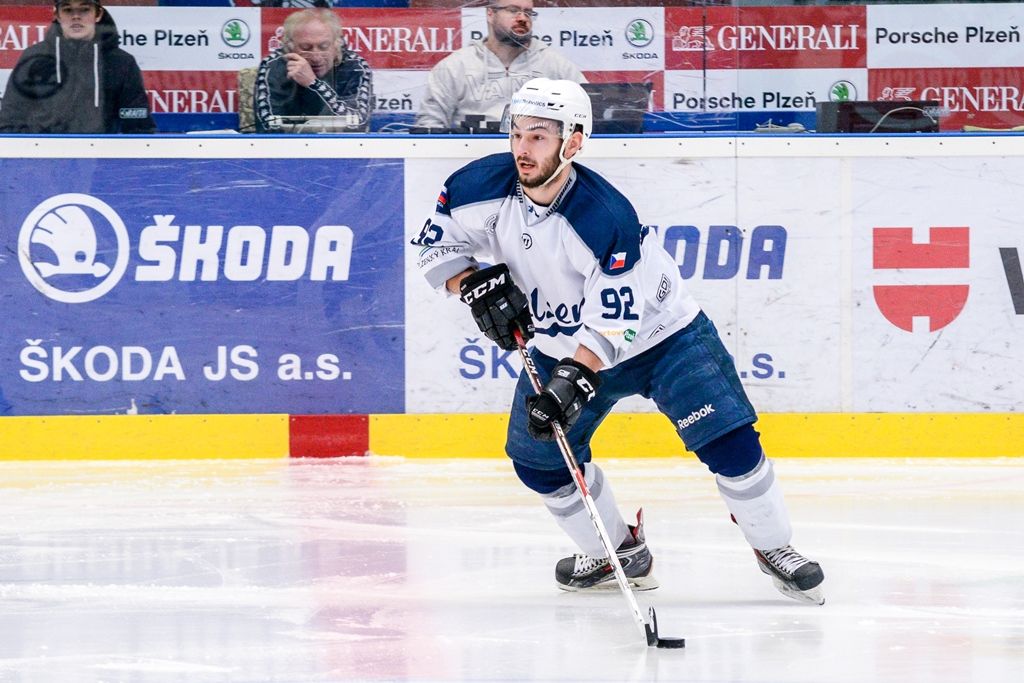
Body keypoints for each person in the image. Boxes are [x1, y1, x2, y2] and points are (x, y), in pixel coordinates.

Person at [411, 78, 826, 605]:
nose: (522, 148)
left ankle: (773, 546)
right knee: (538, 462)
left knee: (731, 442)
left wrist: (574, 380)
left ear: (573, 142)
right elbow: (435, 246)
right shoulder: (476, 186)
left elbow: (615, 320)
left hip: (663, 337)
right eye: (516, 133)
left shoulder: (604, 216)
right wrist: (472, 284)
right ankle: (616, 553)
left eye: (539, 136)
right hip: (561, 345)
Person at [414, 2, 584, 133]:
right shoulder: (456, 66)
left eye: (528, 12)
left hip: (538, 158)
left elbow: (588, 113)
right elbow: (429, 126)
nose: (522, 18)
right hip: (472, 158)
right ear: (490, 14)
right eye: (513, 10)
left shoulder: (555, 65)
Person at [0, 0, 155, 134]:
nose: (76, 16)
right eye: (67, 10)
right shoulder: (34, 58)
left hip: (103, 156)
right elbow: (9, 120)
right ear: (56, 15)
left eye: (85, 9)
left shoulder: (121, 62)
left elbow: (139, 127)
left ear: (98, 14)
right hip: (45, 156)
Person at [253, 8, 372, 133]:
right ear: (290, 46)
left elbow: (357, 125)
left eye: (324, 47)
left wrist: (314, 84)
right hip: (289, 144)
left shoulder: (354, 66)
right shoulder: (273, 65)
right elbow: (268, 127)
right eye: (306, 47)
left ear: (336, 45)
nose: (316, 57)